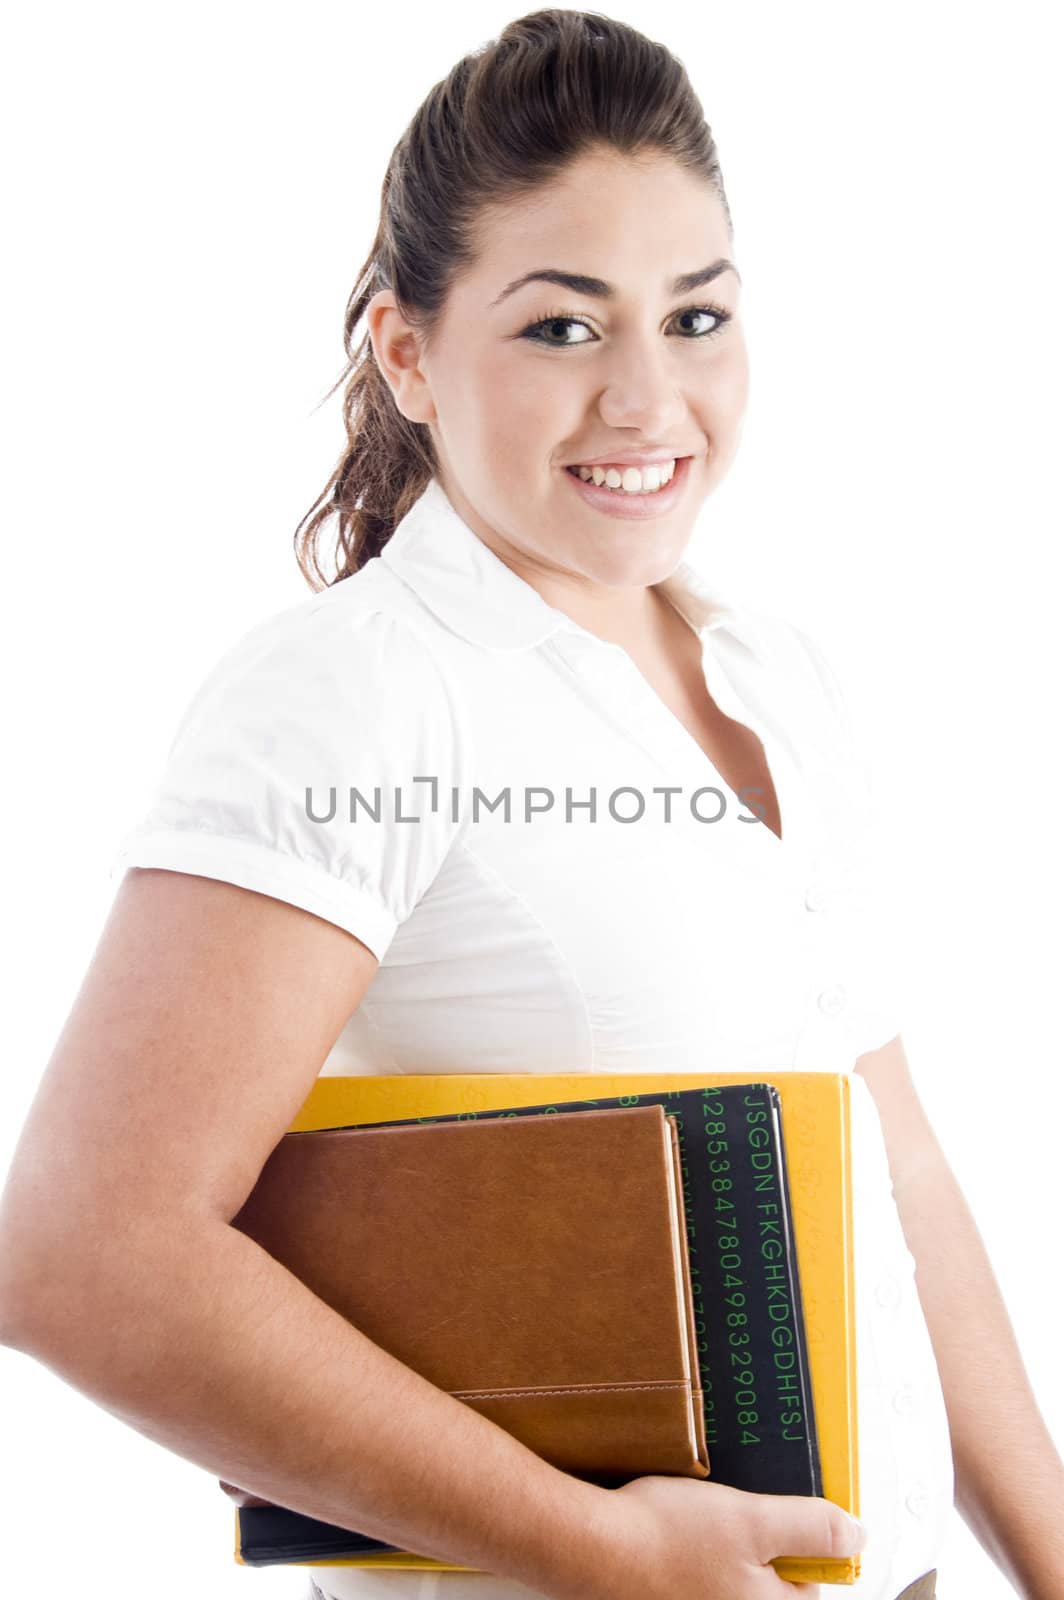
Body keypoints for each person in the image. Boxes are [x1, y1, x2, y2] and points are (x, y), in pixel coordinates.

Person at [0, 9, 1060, 1600]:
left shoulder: (777, 674)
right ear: (407, 355)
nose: (648, 399)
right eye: (564, 329)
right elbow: (85, 1258)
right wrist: (606, 1551)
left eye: (695, 318)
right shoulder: (357, 694)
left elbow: (888, 1156)